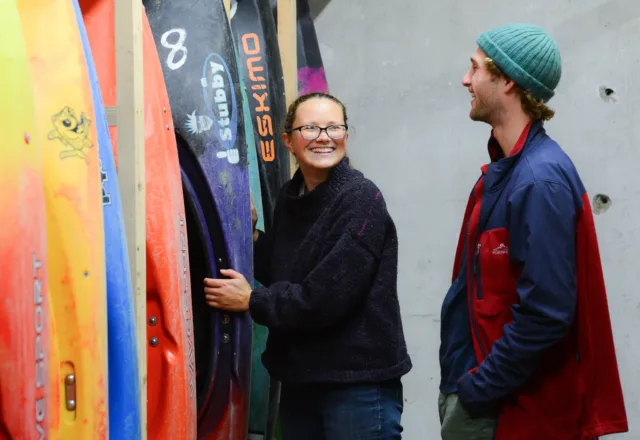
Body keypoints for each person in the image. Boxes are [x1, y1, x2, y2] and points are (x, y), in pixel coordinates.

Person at [438, 22, 628, 440]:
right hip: (489, 397)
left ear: (507, 80)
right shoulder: (508, 174)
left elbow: (546, 311)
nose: (465, 79)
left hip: (511, 412)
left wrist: (477, 390)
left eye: (475, 68)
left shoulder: (539, 181)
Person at [203, 92, 412, 439]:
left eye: (334, 128)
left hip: (356, 386)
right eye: (311, 128)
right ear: (288, 141)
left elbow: (326, 298)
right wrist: (250, 235)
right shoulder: (292, 195)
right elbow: (289, 268)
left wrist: (251, 300)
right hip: (302, 380)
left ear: (345, 135)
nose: (323, 137)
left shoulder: (361, 199)